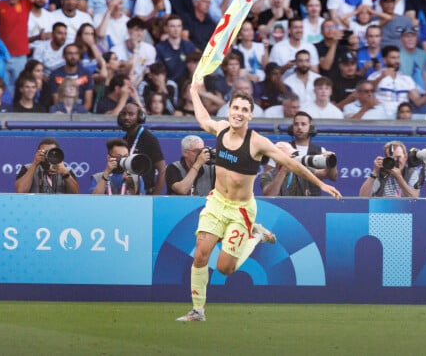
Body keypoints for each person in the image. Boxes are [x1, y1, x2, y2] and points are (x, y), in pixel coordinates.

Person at [176, 78, 341, 322]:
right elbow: (203, 119)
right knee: (201, 254)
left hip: (241, 210)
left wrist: (321, 183)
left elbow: (291, 163)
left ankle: (255, 235)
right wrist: (193, 90)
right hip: (216, 203)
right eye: (235, 108)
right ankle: (198, 310)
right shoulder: (221, 129)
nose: (239, 113)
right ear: (229, 110)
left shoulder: (257, 142)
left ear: (251, 115)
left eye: (244, 110)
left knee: (225, 268)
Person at [118, 102, 166, 195]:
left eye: (131, 114)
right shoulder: (124, 140)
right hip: (126, 192)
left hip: (145, 194)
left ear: (140, 117)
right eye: (124, 114)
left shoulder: (149, 139)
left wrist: (155, 197)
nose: (126, 117)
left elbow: (163, 170)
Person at [284, 111, 338, 193]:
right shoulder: (283, 148)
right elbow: (270, 174)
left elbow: (333, 177)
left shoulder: (320, 151)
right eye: (296, 124)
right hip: (288, 197)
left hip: (313, 199)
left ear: (311, 128)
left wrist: (332, 162)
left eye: (303, 124)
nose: (299, 127)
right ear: (291, 128)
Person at [15, 137, 80, 194]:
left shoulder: (66, 170)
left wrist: (65, 174)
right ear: (38, 152)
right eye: (45, 152)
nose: (48, 155)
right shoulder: (27, 168)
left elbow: (75, 193)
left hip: (59, 206)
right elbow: (21, 191)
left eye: (51, 152)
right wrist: (34, 164)